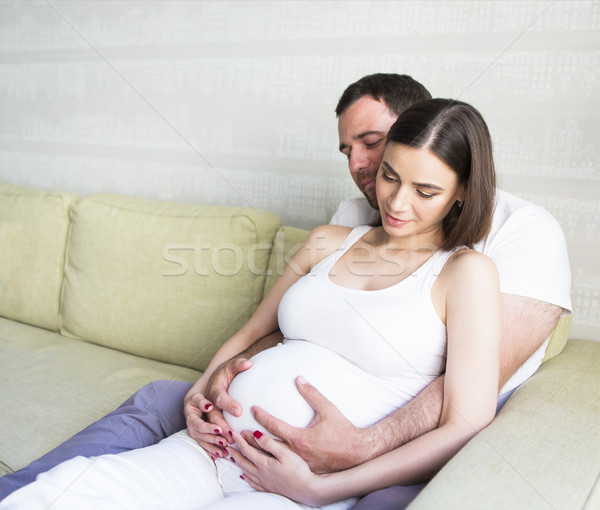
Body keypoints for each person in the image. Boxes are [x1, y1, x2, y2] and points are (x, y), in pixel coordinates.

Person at [0, 74, 571, 509]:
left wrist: (331, 482)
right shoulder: (332, 237)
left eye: (425, 189)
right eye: (388, 174)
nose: (395, 201)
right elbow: (253, 332)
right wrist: (202, 396)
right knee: (57, 493)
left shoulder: (473, 269)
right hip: (210, 449)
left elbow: (466, 417)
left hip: (303, 481)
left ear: (462, 193)